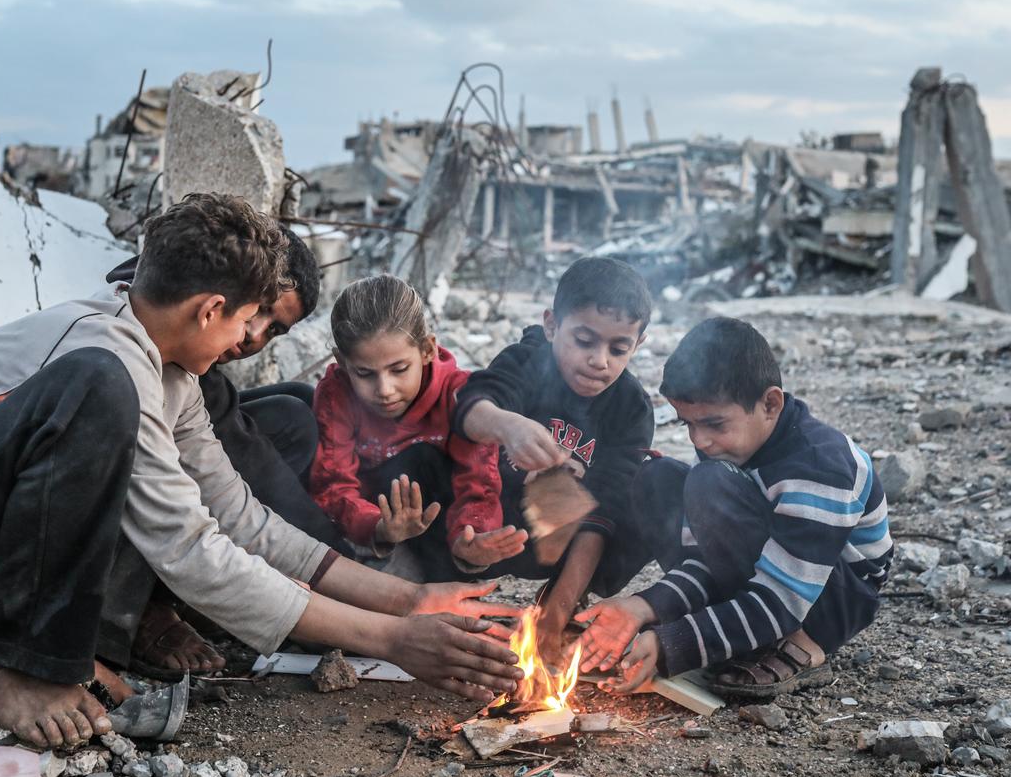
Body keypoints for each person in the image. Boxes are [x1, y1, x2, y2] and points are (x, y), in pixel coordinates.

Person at [0, 194, 523, 750]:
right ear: (210, 309)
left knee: (183, 436)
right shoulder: (105, 357)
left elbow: (239, 518)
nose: (245, 341)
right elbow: (190, 550)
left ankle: (46, 651)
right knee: (96, 386)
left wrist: (406, 601)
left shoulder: (170, 373)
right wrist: (392, 642)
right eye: (246, 321)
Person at [575, 317, 891, 699]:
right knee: (656, 477)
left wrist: (673, 644)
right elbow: (704, 561)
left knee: (708, 481)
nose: (700, 440)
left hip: (829, 599)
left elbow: (782, 597)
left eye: (714, 424)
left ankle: (805, 643)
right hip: (764, 576)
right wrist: (643, 607)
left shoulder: (820, 466)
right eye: (688, 424)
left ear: (770, 404)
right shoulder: (728, 446)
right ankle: (738, 624)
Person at [101, 231, 339, 677]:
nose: (255, 335)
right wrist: (341, 591)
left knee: (293, 409)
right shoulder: (130, 339)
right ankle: (136, 612)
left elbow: (235, 494)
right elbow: (228, 481)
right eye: (259, 311)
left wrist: (332, 562)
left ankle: (230, 578)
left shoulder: (189, 368)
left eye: (275, 329)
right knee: (165, 468)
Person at [453, 257, 655, 657]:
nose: (600, 361)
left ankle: (565, 595)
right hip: (488, 527)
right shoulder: (527, 361)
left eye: (618, 349)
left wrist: (556, 613)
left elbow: (606, 513)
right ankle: (454, 575)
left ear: (638, 345)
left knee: (650, 487)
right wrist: (508, 426)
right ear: (551, 325)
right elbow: (469, 408)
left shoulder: (631, 408)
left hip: (565, 544)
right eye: (584, 341)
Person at [310, 274, 528, 582]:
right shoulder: (337, 395)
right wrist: (379, 527)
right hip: (371, 529)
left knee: (426, 457)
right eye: (365, 374)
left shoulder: (459, 394)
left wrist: (472, 535)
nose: (384, 390)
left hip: (441, 526)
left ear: (427, 349)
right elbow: (332, 484)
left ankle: (444, 575)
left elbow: (478, 481)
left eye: (399, 369)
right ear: (342, 362)